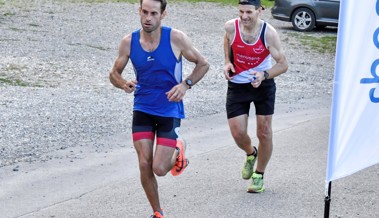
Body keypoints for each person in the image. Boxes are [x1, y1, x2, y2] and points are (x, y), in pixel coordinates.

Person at [109, 0, 209, 216]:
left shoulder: (176, 38)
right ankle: (158, 212)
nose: (148, 18)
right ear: (139, 11)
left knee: (160, 168)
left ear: (163, 15)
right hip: (143, 106)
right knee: (144, 164)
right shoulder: (129, 42)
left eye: (153, 13)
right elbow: (113, 74)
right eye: (144, 12)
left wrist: (185, 84)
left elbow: (203, 64)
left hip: (169, 108)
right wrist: (123, 83)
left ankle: (177, 149)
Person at [223, 0, 288, 193]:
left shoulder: (269, 33)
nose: (244, 17)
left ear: (260, 10)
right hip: (237, 84)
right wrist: (227, 61)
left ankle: (259, 175)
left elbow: (283, 65)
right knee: (237, 133)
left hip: (263, 84)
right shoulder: (230, 27)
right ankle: (251, 153)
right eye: (241, 12)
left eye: (249, 12)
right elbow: (227, 39)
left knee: (264, 132)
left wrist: (264, 74)